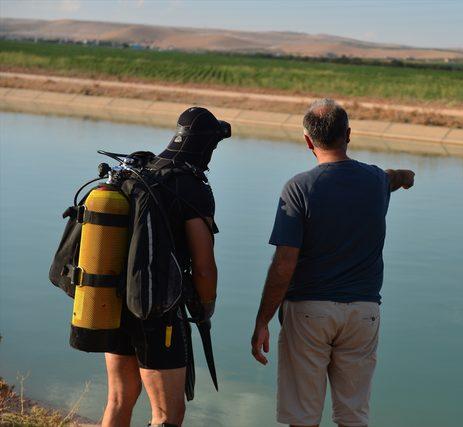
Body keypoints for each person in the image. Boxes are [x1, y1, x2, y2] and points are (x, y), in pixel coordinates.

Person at [251, 99, 414, 427]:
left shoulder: (299, 188)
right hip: (364, 313)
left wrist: (262, 321)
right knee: (354, 416)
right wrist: (408, 177)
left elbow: (284, 264)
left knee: (303, 416)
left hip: (310, 311)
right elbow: (397, 176)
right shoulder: (376, 181)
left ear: (308, 141)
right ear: (348, 134)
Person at [101, 107, 226, 427]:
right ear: (206, 145)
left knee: (118, 399)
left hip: (115, 303)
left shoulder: (135, 173)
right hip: (159, 309)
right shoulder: (191, 186)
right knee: (167, 415)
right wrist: (205, 307)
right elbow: (203, 267)